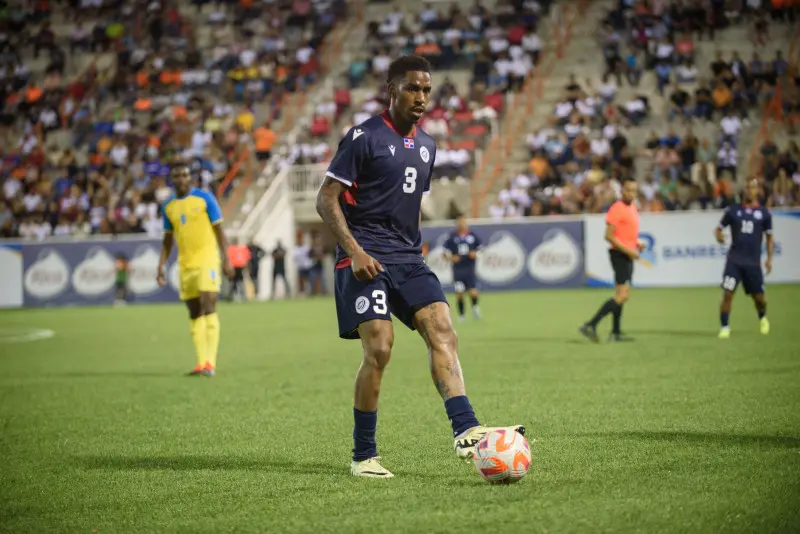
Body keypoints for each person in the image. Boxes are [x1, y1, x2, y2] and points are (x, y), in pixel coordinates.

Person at [315, 55, 523, 478]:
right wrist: (354, 250)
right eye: (412, 88)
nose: (421, 97)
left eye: (427, 89)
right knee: (380, 347)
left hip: (409, 259)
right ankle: (363, 456)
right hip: (364, 257)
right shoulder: (363, 137)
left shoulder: (428, 145)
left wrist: (414, 248)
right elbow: (326, 198)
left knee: (443, 330)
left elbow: (405, 204)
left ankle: (465, 429)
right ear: (391, 90)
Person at [157, 164, 233, 377]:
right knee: (194, 312)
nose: (181, 178)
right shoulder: (168, 206)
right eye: (177, 175)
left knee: (209, 305)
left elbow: (219, 230)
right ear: (172, 179)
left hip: (207, 260)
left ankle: (210, 363)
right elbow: (167, 239)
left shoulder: (205, 198)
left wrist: (226, 259)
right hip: (185, 264)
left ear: (190, 178)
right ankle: (201, 362)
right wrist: (161, 264)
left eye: (184, 175)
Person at [580, 179, 645, 342]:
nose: (632, 194)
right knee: (623, 295)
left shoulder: (632, 207)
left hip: (626, 254)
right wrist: (629, 250)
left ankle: (615, 333)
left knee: (620, 294)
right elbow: (608, 236)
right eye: (629, 190)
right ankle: (591, 324)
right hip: (619, 255)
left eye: (634, 191)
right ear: (622, 191)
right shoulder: (617, 209)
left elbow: (625, 232)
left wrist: (637, 243)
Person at [715, 178, 773, 339]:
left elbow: (769, 238)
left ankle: (762, 317)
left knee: (759, 298)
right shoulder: (732, 211)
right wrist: (719, 236)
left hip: (753, 263)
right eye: (747, 187)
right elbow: (718, 229)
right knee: (728, 293)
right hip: (734, 261)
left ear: (758, 190)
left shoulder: (764, 214)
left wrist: (769, 259)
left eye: (753, 187)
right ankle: (725, 327)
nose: (749, 190)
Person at [444, 215, 482, 321]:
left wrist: (475, 254)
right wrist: (451, 258)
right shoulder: (452, 237)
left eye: (463, 222)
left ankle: (475, 307)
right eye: (460, 222)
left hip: (469, 268)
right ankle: (461, 315)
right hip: (458, 270)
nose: (462, 224)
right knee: (459, 293)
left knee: (473, 291)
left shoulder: (473, 236)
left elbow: (480, 249)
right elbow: (444, 253)